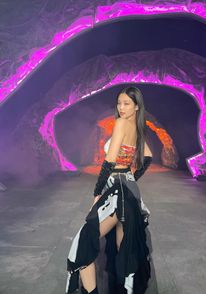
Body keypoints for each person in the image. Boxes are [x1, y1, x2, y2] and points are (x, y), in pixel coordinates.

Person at [65, 86, 153, 294]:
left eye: (126, 104)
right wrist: (132, 178)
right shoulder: (138, 128)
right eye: (119, 103)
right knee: (124, 254)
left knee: (83, 244)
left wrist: (97, 193)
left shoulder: (121, 123)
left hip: (117, 191)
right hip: (129, 191)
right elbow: (147, 158)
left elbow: (110, 161)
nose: (121, 108)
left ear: (137, 106)